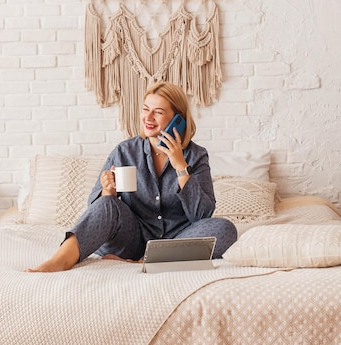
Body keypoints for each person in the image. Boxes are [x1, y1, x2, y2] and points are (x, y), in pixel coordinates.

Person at [27, 81, 237, 273]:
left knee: (225, 229)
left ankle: (150, 261)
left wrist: (181, 167)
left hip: (177, 239)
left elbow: (203, 216)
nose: (148, 117)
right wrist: (108, 192)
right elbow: (96, 211)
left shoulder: (196, 155)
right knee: (106, 204)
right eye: (145, 109)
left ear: (177, 119)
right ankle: (60, 260)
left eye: (158, 112)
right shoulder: (125, 151)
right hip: (131, 238)